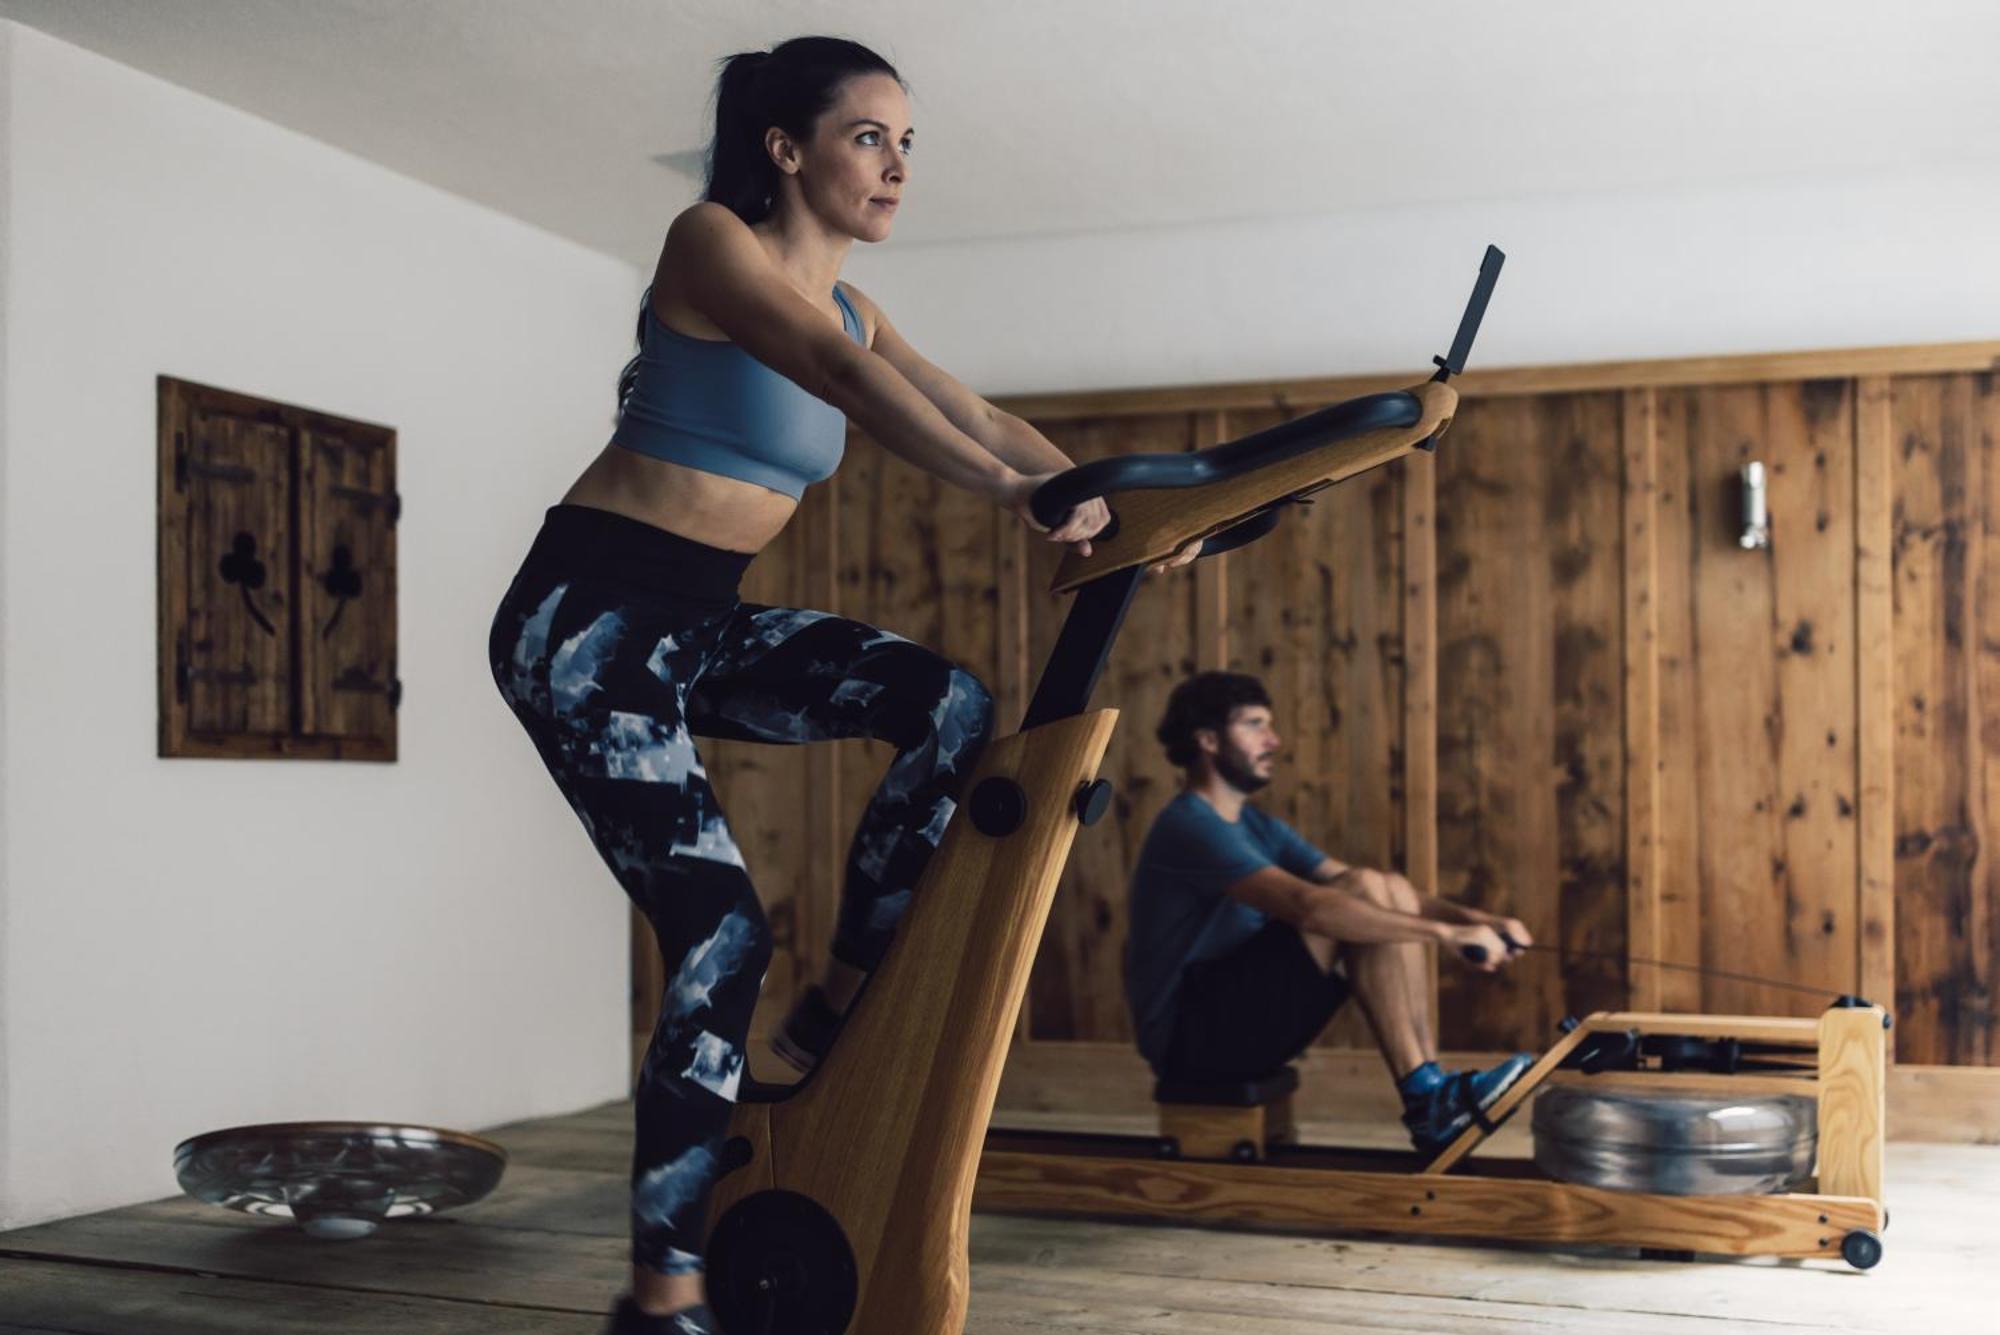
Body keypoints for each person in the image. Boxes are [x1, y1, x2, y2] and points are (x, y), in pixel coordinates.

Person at [486, 37, 1175, 1334]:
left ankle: (839, 996)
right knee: (719, 931)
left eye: (910, 143)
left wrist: (1124, 504)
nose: (898, 165)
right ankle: (664, 1287)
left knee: (950, 705)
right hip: (583, 619)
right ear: (785, 149)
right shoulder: (713, 245)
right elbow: (847, 384)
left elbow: (975, 414)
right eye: (870, 135)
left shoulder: (861, 305)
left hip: (695, 622)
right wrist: (1022, 499)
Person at [1124, 671, 1537, 1156]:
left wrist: (1478, 919)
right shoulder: (1188, 825)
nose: (1273, 740)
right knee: (1360, 894)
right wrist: (1444, 934)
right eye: (1255, 725)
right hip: (1191, 1041)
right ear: (1209, 740)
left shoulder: (1257, 826)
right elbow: (1309, 907)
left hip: (1242, 1019)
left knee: (1384, 886)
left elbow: (1373, 889)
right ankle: (1429, 1100)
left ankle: (1433, 1089)